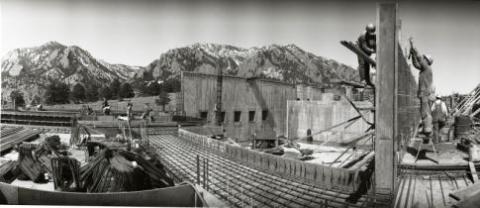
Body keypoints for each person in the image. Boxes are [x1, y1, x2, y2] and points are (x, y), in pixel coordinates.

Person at [409, 37, 434, 140]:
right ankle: (427, 130)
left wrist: (413, 46)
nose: (422, 59)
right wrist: (412, 54)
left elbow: (419, 58)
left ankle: (428, 131)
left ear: (427, 61)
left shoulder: (427, 68)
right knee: (424, 111)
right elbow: (416, 64)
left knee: (425, 112)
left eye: (424, 59)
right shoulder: (424, 69)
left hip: (425, 93)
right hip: (424, 93)